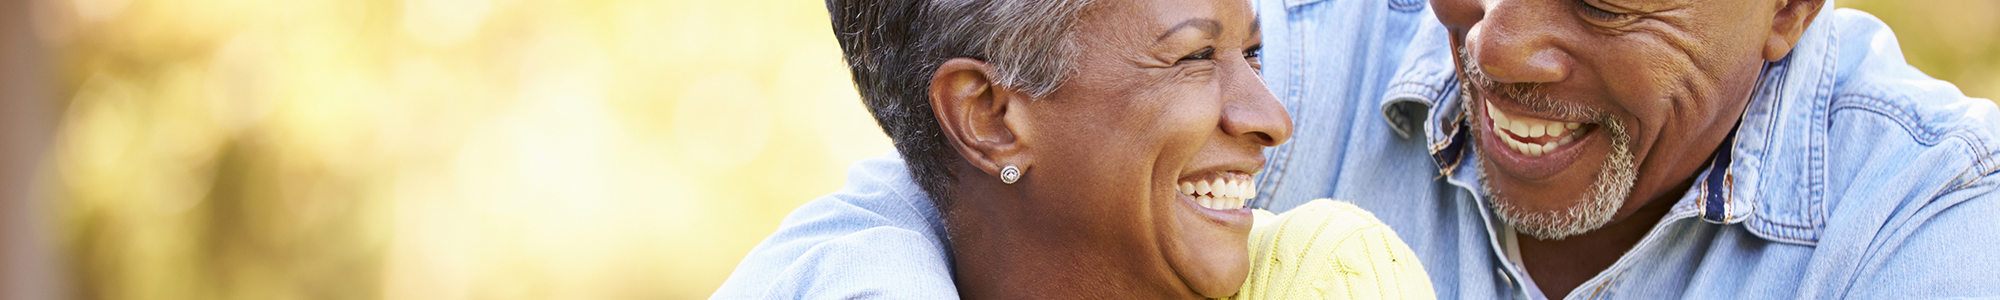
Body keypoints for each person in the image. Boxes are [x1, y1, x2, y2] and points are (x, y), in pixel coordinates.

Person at [1254, 0, 2000, 298]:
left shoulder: (1929, 217)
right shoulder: (1267, 66)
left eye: (1601, 4)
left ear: (1788, 9)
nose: (1495, 45)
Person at [711, 0, 1432, 298]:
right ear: (989, 116)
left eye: (1253, 53)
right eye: (1192, 58)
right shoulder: (861, 264)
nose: (1273, 118)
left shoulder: (1327, 272)